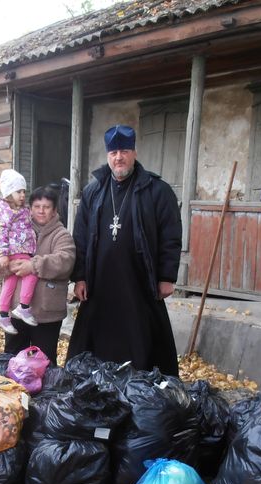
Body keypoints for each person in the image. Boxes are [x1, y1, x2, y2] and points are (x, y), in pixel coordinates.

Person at [67, 124, 182, 375]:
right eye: (113, 153)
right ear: (108, 156)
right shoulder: (93, 191)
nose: (119, 157)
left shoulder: (157, 190)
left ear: (134, 153)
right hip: (100, 282)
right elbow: (81, 237)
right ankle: (98, 381)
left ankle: (139, 382)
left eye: (124, 151)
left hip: (139, 281)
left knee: (143, 340)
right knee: (94, 343)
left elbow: (170, 235)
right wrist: (80, 276)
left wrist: (166, 276)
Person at [0, 185, 76, 364]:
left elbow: (65, 261)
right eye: (37, 207)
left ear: (54, 210)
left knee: (43, 361)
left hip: (46, 313)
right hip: (15, 312)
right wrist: (8, 265)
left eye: (46, 207)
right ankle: (14, 391)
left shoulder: (61, 235)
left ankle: (46, 392)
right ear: (30, 208)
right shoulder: (15, 228)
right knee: (13, 359)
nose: (41, 211)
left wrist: (33, 265)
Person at [0, 169, 38, 334]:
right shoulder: (2, 211)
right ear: (9, 192)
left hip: (22, 249)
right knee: (31, 273)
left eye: (24, 191)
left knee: (9, 284)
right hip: (15, 251)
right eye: (19, 191)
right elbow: (0, 232)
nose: (23, 195)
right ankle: (23, 307)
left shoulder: (22, 210)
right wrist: (3, 254)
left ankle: (3, 315)